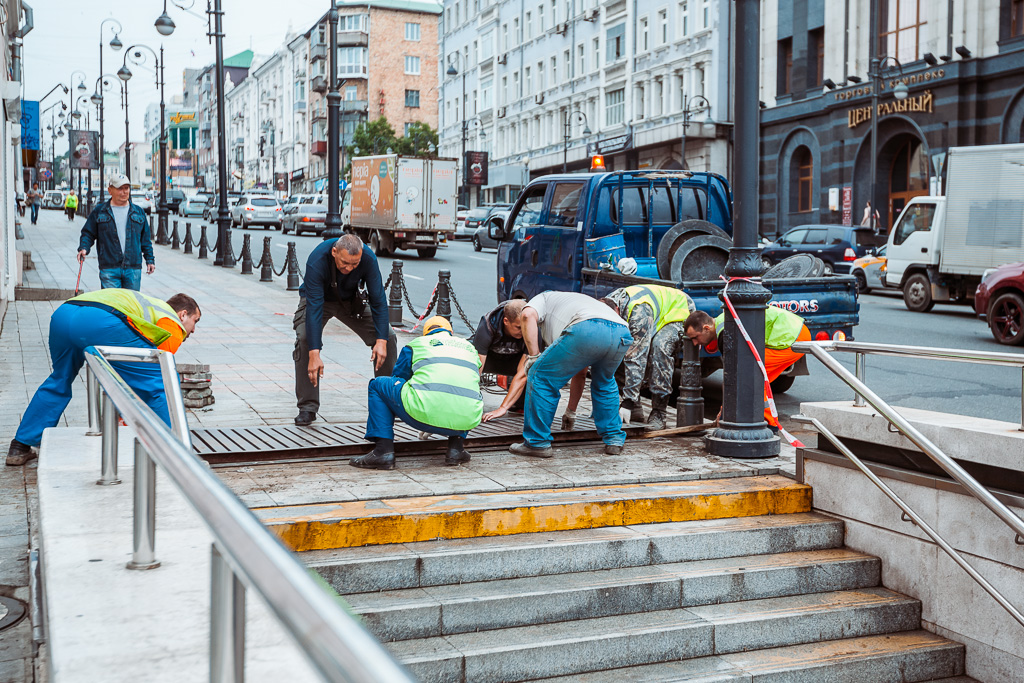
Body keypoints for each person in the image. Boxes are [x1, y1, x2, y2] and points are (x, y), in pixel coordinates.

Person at [6, 290, 201, 466]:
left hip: (64, 315)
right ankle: (176, 453)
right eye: (195, 321)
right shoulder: (172, 320)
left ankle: (21, 445)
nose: (193, 330)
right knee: (162, 381)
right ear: (183, 314)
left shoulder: (151, 304)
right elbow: (156, 368)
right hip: (100, 320)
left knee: (60, 379)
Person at [293, 232, 397, 426]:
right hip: (319, 301)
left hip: (351, 302)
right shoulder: (317, 259)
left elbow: (378, 299)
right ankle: (307, 407)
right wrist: (315, 353)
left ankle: (389, 400)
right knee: (306, 338)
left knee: (388, 336)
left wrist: (381, 341)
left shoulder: (368, 258)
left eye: (354, 264)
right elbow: (314, 307)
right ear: (334, 252)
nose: (349, 268)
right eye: (344, 263)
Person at [510, 291, 632, 458]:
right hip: (621, 331)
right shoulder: (571, 302)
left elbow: (527, 315)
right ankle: (614, 439)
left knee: (540, 376)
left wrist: (533, 357)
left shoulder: (541, 299)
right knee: (604, 381)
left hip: (587, 327)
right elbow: (580, 372)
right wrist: (570, 412)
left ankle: (536, 442)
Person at [351, 316, 482, 470]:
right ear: (450, 332)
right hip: (468, 418)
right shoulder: (469, 347)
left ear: (425, 334)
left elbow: (399, 378)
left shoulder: (418, 344)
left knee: (378, 385)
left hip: (419, 414)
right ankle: (456, 449)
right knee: (463, 390)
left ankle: (382, 451)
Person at [683, 306, 810, 431]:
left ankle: (769, 424)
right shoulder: (722, 322)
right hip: (795, 332)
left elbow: (733, 377)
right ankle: (767, 422)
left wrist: (724, 412)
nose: (694, 343)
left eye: (695, 337)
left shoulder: (724, 332)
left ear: (706, 328)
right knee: (755, 379)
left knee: (750, 377)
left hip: (790, 336)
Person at [605, 285, 696, 431]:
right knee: (618, 348)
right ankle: (635, 407)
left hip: (677, 311)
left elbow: (636, 358)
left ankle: (659, 412)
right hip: (654, 312)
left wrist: (627, 401)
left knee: (660, 347)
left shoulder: (637, 313)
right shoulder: (606, 306)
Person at [78, 174, 155, 291]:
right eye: (119, 188)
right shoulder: (100, 211)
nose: (124, 192)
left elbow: (145, 240)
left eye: (126, 188)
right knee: (112, 306)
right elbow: (88, 233)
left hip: (133, 267)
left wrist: (150, 260)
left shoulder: (138, 212)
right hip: (109, 267)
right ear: (110, 190)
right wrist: (84, 248)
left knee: (130, 306)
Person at [471, 299, 528, 421]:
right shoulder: (487, 325)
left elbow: (523, 374)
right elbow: (476, 369)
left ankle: (518, 404)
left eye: (525, 327)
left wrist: (502, 408)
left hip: (515, 362)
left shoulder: (531, 327)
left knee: (536, 368)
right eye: (518, 327)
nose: (523, 332)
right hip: (490, 359)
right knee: (466, 364)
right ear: (506, 321)